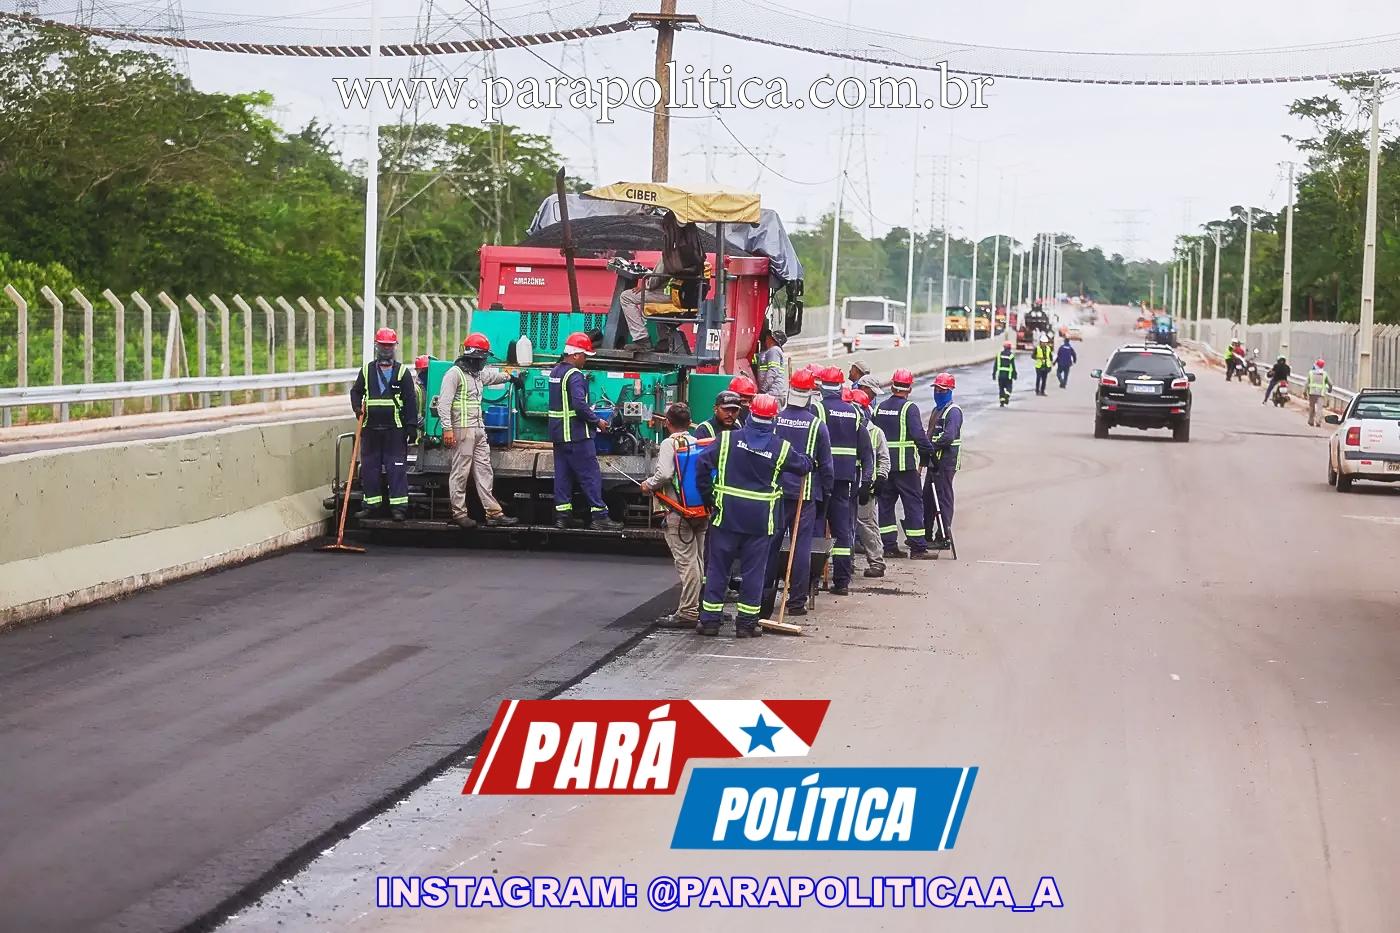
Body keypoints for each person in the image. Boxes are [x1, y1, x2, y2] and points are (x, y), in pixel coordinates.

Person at [695, 394, 811, 637]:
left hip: (726, 517)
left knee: (717, 569)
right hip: (760, 522)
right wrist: (809, 460)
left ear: (750, 414)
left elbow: (702, 465)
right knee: (753, 573)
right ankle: (746, 624)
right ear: (774, 418)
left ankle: (709, 622)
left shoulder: (726, 440)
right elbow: (801, 466)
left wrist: (709, 498)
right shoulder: (780, 447)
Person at [437, 333, 522, 529]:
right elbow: (444, 404)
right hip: (462, 430)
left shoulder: (477, 374)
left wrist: (510, 377)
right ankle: (459, 513)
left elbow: (493, 376)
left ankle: (494, 513)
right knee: (461, 472)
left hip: (478, 430)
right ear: (473, 356)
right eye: (482, 358)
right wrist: (447, 429)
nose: (484, 362)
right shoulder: (454, 374)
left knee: (484, 470)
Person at [766, 369, 833, 618]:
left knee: (770, 544)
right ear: (810, 395)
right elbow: (827, 466)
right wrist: (825, 494)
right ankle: (796, 602)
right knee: (800, 548)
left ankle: (763, 597)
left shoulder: (776, 420)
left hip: (775, 491)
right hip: (804, 495)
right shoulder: (817, 426)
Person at [640, 403, 707, 627]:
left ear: (667, 423)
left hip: (678, 511)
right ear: (689, 423)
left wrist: (649, 484)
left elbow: (665, 473)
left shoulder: (670, 443)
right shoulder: (695, 441)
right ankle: (702, 606)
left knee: (686, 562)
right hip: (699, 510)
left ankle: (688, 612)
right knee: (698, 560)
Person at [548, 332, 622, 530]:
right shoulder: (575, 376)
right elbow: (580, 405)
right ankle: (600, 517)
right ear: (575, 355)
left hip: (559, 435)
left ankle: (562, 517)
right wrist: (597, 421)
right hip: (577, 435)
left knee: (563, 477)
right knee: (590, 475)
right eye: (585, 356)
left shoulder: (555, 372)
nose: (586, 360)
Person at [814, 367, 874, 595]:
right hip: (846, 481)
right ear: (841, 387)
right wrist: (866, 480)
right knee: (842, 531)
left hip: (821, 479)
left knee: (817, 530)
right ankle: (842, 581)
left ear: (821, 387)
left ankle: (813, 580)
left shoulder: (818, 409)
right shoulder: (855, 413)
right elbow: (866, 451)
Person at [350, 327, 420, 522]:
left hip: (394, 431)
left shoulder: (402, 373)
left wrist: (411, 426)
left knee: (396, 468)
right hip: (370, 429)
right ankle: (371, 504)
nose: (386, 350)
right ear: (376, 346)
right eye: (383, 346)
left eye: (389, 346)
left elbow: (410, 400)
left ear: (395, 347)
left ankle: (399, 508)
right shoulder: (366, 371)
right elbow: (355, 392)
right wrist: (357, 408)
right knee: (369, 468)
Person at [619, 211, 705, 352]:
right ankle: (664, 339)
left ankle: (641, 340)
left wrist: (645, 285)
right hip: (686, 296)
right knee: (656, 292)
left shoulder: (674, 253)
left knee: (626, 297)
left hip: (677, 298)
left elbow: (654, 282)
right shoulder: (695, 251)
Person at [873, 369, 936, 559]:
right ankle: (918, 547)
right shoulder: (910, 408)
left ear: (892, 385)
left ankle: (889, 546)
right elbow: (919, 435)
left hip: (884, 466)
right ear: (909, 387)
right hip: (905, 466)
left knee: (885, 506)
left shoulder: (879, 407)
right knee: (913, 504)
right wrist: (930, 453)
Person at [853, 385, 890, 578]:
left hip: (866, 487)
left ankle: (876, 563)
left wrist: (880, 480)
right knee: (846, 526)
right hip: (850, 485)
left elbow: (884, 459)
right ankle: (846, 563)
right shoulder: (847, 428)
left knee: (867, 525)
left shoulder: (876, 432)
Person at [924, 373, 962, 552]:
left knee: (943, 498)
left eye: (942, 390)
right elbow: (930, 432)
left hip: (946, 462)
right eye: (936, 389)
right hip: (934, 461)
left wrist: (931, 445)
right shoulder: (936, 410)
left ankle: (944, 535)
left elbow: (949, 436)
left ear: (950, 391)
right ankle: (927, 534)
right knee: (928, 498)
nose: (938, 392)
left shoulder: (953, 411)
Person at [754, 327, 789, 403]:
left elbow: (773, 371)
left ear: (773, 340)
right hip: (773, 392)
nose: (766, 340)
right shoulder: (769, 352)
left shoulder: (774, 351)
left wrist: (763, 389)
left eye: (768, 338)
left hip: (773, 393)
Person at [1306, 358, 1333, 426]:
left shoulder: (1311, 373)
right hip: (1321, 393)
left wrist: (1304, 391)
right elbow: (1330, 383)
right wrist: (1330, 389)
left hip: (1312, 392)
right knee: (1319, 408)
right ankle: (1318, 422)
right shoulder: (1324, 374)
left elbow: (1306, 383)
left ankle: (1311, 420)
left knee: (1311, 407)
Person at [993, 340, 1018, 407]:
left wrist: (994, 374)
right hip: (1008, 375)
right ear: (1009, 347)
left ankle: (1002, 402)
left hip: (1000, 375)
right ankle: (1007, 395)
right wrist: (1015, 374)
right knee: (1009, 388)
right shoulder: (1011, 355)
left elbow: (995, 365)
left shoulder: (999, 355)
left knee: (1001, 389)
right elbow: (1013, 366)